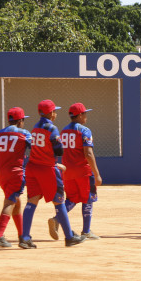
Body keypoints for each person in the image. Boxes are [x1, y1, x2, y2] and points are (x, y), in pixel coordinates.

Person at [19, 99, 85, 249]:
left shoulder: (35, 127)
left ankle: (25, 238)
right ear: (50, 113)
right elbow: (59, 151)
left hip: (32, 168)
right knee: (59, 202)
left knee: (31, 202)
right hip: (47, 170)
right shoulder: (52, 128)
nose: (55, 114)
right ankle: (69, 237)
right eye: (54, 111)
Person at [50, 103, 103, 241]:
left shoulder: (63, 131)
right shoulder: (84, 130)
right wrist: (97, 174)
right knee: (88, 198)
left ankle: (57, 219)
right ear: (79, 115)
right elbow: (88, 153)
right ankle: (86, 231)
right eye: (85, 113)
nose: (86, 116)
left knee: (72, 198)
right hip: (83, 171)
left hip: (67, 171)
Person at [0, 107, 32, 248]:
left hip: (1, 171)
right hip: (16, 172)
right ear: (20, 121)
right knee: (10, 202)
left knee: (16, 202)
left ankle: (22, 236)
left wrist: (4, 164)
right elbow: (36, 149)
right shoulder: (24, 133)